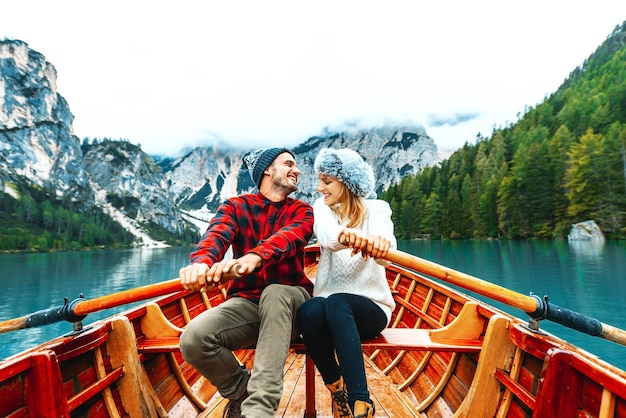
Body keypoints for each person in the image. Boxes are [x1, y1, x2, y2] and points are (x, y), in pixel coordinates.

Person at [178, 147, 314, 418]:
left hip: (293, 305)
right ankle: (242, 390)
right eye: (289, 164)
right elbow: (216, 235)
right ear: (267, 169)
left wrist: (256, 256)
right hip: (249, 303)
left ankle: (258, 411)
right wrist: (201, 263)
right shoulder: (235, 206)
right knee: (194, 339)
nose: (297, 170)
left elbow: (290, 237)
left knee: (275, 293)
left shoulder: (303, 211)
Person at [297, 148, 396, 418]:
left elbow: (387, 244)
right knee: (308, 310)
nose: (319, 188)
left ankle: (360, 402)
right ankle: (336, 386)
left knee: (338, 303)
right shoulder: (322, 209)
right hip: (330, 309)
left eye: (327, 181)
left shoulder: (378, 209)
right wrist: (349, 236)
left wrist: (380, 243)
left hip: (371, 310)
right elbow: (328, 236)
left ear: (347, 182)